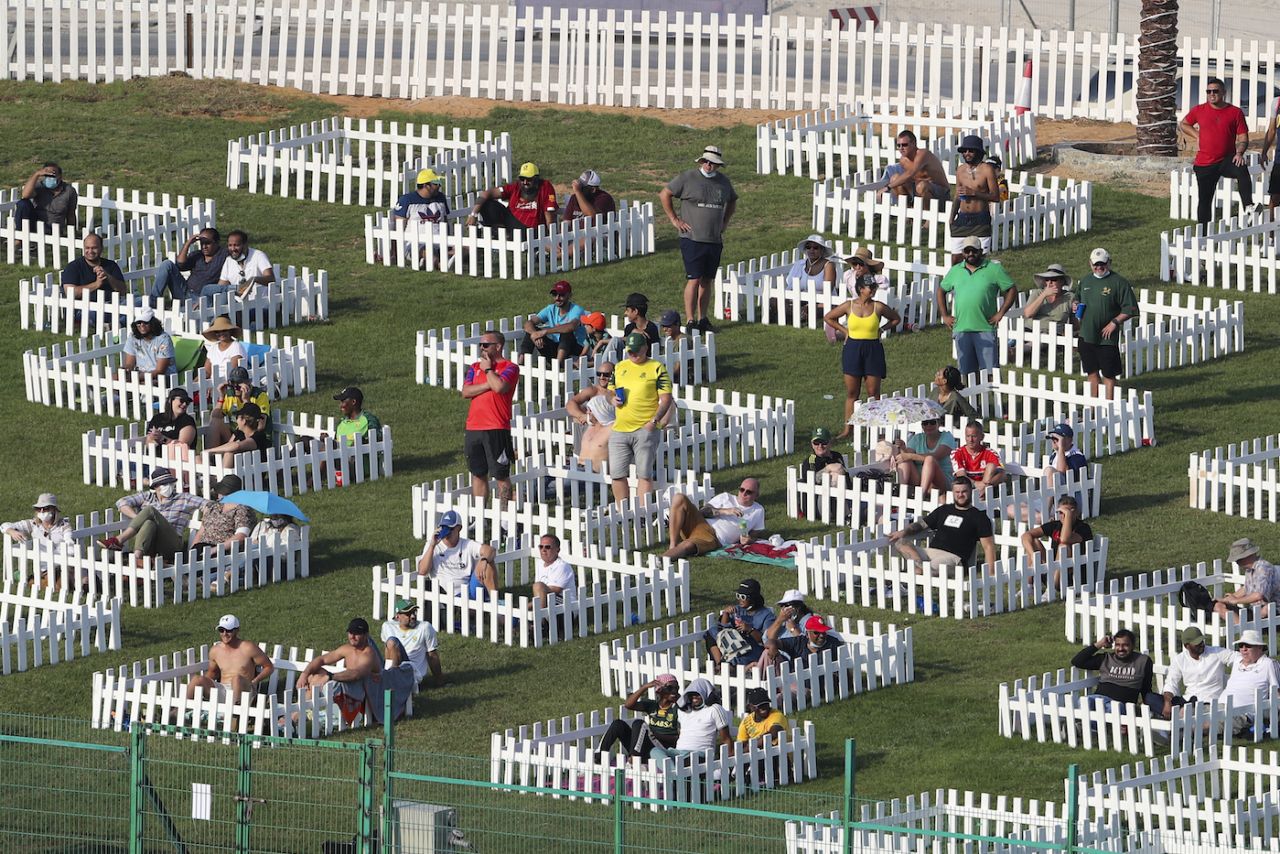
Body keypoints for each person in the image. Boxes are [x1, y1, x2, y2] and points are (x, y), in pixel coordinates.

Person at [660, 145, 738, 334]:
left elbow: (733, 200)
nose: (709, 165)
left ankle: (703, 318)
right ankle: (690, 319)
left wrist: (725, 222)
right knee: (694, 279)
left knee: (707, 280)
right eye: (707, 161)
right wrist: (674, 219)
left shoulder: (723, 182)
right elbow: (665, 194)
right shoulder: (688, 178)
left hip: (714, 239)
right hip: (692, 238)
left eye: (713, 163)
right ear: (702, 161)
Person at [295, 618, 416, 726]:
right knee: (314, 674)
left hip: (361, 691)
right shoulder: (347, 649)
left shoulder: (368, 654)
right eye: (351, 633)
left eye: (357, 634)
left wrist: (330, 676)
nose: (352, 636)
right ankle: (298, 713)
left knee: (320, 678)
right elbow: (321, 659)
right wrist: (304, 674)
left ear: (366, 635)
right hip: (349, 686)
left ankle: (300, 714)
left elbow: (357, 674)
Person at [825, 274, 900, 436]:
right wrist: (845, 331)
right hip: (853, 348)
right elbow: (829, 317)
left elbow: (895, 319)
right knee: (852, 392)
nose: (873, 290)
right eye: (870, 287)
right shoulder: (848, 305)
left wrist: (882, 329)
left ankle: (878, 427)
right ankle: (848, 429)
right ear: (860, 289)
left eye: (874, 287)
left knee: (873, 392)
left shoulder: (878, 306)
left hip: (873, 349)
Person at [1179, 78, 1256, 224]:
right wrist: (1197, 135)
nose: (1211, 94)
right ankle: (1203, 236)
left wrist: (1239, 153)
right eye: (1209, 91)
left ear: (1224, 93)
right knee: (1205, 201)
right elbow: (1184, 124)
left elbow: (1243, 137)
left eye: (1215, 91)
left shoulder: (1235, 112)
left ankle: (1249, 207)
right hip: (1205, 163)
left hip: (1226, 159)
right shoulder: (1199, 110)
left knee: (1241, 168)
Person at [607, 333, 672, 505]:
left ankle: (642, 513)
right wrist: (612, 399)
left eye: (637, 351)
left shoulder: (657, 367)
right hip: (620, 428)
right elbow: (610, 391)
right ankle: (623, 512)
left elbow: (666, 398)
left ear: (645, 348)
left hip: (645, 428)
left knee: (644, 473)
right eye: (630, 352)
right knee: (616, 473)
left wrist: (654, 421)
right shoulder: (620, 367)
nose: (634, 355)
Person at [937, 237, 1017, 377]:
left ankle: (991, 399)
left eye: (974, 250)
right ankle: (971, 399)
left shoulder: (994, 269)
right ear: (963, 253)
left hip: (985, 328)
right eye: (967, 251)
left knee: (989, 374)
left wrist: (1001, 312)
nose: (970, 254)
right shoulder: (956, 270)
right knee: (965, 375)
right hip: (962, 328)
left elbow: (1011, 289)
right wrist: (945, 315)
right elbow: (941, 290)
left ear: (980, 251)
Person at [888, 477, 996, 573]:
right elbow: (922, 525)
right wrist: (902, 532)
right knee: (900, 542)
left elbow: (988, 547)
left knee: (923, 570)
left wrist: (991, 574)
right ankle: (920, 569)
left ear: (971, 492)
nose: (960, 495)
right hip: (929, 553)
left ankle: (917, 572)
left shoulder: (979, 517)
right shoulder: (944, 510)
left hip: (953, 557)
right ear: (953, 492)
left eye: (964, 491)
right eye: (957, 492)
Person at [99, 468, 207, 560]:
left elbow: (208, 504)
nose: (168, 486)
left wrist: (206, 512)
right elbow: (121, 502)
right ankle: (137, 559)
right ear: (156, 487)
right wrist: (139, 519)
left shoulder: (183, 498)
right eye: (164, 484)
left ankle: (118, 540)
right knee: (148, 522)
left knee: (150, 511)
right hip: (150, 542)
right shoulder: (147, 496)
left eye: (170, 483)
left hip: (171, 544)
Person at [462, 331, 519, 501]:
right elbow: (466, 391)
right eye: (480, 345)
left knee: (501, 475)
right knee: (478, 473)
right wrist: (490, 383)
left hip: (496, 427)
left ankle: (505, 519)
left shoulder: (510, 367)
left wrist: (487, 370)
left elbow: (501, 388)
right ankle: (481, 518)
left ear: (498, 346)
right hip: (474, 427)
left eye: (486, 345)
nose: (482, 348)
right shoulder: (474, 367)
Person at [1075, 248, 1138, 399]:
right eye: (1095, 264)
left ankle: (1109, 407)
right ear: (1090, 264)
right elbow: (1077, 299)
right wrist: (1075, 304)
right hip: (1087, 335)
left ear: (1109, 262)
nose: (1099, 267)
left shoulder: (1119, 282)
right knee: (1091, 372)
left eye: (1102, 264)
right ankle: (1094, 408)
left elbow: (1130, 308)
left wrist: (1114, 322)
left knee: (1109, 375)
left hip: (1107, 338)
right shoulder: (1085, 281)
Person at [663, 478, 765, 559]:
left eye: (749, 492)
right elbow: (703, 512)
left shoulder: (758, 510)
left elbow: (755, 534)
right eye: (742, 490)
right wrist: (724, 511)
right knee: (679, 498)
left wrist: (748, 539)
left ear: (756, 495)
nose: (744, 494)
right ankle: (673, 545)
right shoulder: (726, 497)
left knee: (688, 545)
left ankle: (662, 559)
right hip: (700, 523)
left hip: (714, 537)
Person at [1071, 629, 1163, 717]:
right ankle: (1087, 728)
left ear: (1133, 646)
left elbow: (1146, 688)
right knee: (1084, 701)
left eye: (1125, 645)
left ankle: (1086, 728)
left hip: (1120, 704)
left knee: (1112, 709)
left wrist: (1148, 707)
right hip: (1098, 698)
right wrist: (1099, 644)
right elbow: (1077, 661)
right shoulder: (1106, 658)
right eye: (1117, 645)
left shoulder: (1143, 661)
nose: (1121, 648)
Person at [185, 615, 275, 703]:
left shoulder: (248, 647)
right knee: (197, 679)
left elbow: (269, 667)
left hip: (245, 691)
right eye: (221, 630)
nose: (225, 634)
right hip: (223, 689)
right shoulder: (215, 650)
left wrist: (255, 681)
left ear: (237, 630)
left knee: (236, 679)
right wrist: (203, 684)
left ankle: (234, 714)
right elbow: (212, 673)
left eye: (229, 630)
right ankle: (178, 710)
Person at [594, 674, 681, 760]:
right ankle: (599, 757)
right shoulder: (652, 705)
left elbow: (678, 738)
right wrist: (644, 688)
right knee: (618, 724)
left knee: (639, 723)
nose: (674, 691)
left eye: (676, 688)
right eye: (670, 688)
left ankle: (634, 758)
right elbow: (628, 705)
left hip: (660, 749)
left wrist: (654, 734)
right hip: (643, 745)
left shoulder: (678, 709)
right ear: (660, 690)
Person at [416, 510, 499, 597]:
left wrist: (483, 560)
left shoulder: (467, 544)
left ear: (459, 528)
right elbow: (422, 571)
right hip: (447, 595)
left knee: (488, 562)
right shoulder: (432, 545)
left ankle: (494, 603)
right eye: (443, 527)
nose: (446, 533)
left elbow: (491, 550)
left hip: (468, 590)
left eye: (450, 529)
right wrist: (432, 546)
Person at [648, 678, 732, 763]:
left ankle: (674, 773)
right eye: (691, 694)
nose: (694, 697)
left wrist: (729, 763)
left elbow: (726, 739)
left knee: (682, 762)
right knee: (654, 752)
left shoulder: (714, 709)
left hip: (699, 754)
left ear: (705, 693)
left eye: (697, 694)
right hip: (678, 753)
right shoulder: (683, 711)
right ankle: (675, 774)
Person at [1020, 496, 1093, 592]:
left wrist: (1068, 515)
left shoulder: (1083, 528)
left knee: (1063, 547)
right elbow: (1026, 535)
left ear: (1075, 513)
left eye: (1066, 513)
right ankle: (1028, 587)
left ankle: (1051, 589)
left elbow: (1065, 539)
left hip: (1070, 576)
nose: (1063, 516)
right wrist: (1033, 554)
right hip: (1052, 569)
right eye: (1061, 513)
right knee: (1033, 541)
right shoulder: (1055, 525)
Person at [1159, 626, 1233, 720]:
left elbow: (1236, 657)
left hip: (1208, 702)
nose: (1202, 644)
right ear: (1186, 646)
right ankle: (1177, 716)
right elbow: (1171, 682)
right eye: (1197, 643)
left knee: (1186, 712)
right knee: (1151, 698)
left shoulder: (1216, 653)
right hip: (1187, 700)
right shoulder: (1180, 659)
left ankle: (1177, 721)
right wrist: (1167, 702)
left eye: (1202, 641)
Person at [702, 578, 776, 671]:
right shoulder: (737, 609)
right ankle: (720, 664)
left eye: (743, 597)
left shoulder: (767, 615)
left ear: (753, 598)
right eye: (738, 596)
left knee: (738, 654)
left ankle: (730, 667)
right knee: (712, 632)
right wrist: (726, 614)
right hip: (733, 644)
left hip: (752, 648)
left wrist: (750, 630)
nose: (740, 600)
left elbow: (766, 640)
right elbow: (722, 628)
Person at [948, 136, 1001, 264]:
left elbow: (995, 196)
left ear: (978, 152)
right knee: (956, 259)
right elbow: (957, 195)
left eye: (970, 151)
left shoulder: (987, 169)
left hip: (980, 219)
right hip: (962, 219)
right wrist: (952, 217)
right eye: (964, 151)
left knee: (979, 260)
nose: (967, 154)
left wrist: (974, 193)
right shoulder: (960, 170)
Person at [1219, 629, 1280, 735]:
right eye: (1241, 646)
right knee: (1188, 714)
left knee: (1206, 724)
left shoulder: (1268, 664)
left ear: (1260, 647)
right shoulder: (1238, 660)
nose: (1244, 649)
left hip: (1242, 713)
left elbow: (1277, 692)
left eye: (1248, 646)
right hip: (1220, 705)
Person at [466, 162, 558, 232]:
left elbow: (549, 212)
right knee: (487, 203)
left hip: (529, 228)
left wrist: (551, 235)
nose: (525, 182)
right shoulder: (516, 187)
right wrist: (473, 214)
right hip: (510, 220)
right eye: (522, 179)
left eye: (529, 179)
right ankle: (498, 233)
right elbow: (486, 193)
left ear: (537, 178)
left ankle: (497, 233)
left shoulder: (545, 187)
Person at [149, 227, 229, 302]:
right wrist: (188, 243)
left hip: (202, 297)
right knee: (167, 264)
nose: (204, 246)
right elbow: (180, 264)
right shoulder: (197, 255)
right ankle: (153, 301)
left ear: (217, 242)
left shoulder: (223, 255)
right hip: (184, 291)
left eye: (207, 243)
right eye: (202, 243)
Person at [381, 599, 446, 690]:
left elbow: (432, 656)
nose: (412, 616)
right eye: (408, 614)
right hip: (396, 666)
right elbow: (387, 653)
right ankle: (388, 679)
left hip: (413, 672)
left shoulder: (425, 628)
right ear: (398, 616)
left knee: (392, 642)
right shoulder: (387, 627)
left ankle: (390, 683)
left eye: (414, 612)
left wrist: (440, 680)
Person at [391, 168, 451, 264]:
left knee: (467, 248)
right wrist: (395, 253)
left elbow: (445, 222)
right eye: (436, 183)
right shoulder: (407, 200)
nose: (439, 186)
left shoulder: (441, 198)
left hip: (440, 242)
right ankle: (441, 263)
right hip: (416, 243)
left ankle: (443, 260)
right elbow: (398, 228)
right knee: (429, 254)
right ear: (426, 185)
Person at [519, 280, 586, 363]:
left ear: (569, 295)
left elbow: (571, 326)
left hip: (574, 348)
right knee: (532, 331)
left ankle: (558, 364)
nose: (557, 298)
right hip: (556, 347)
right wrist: (535, 334)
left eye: (561, 295)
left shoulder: (576, 309)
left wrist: (545, 332)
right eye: (555, 294)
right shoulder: (551, 309)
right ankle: (521, 362)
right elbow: (528, 323)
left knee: (566, 332)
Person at [567, 360, 617, 468]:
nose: (602, 377)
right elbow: (571, 404)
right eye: (599, 374)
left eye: (606, 375)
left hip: (607, 434)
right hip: (589, 430)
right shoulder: (593, 391)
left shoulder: (618, 393)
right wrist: (582, 416)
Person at [1214, 538, 1280, 620]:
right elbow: (1246, 588)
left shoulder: (1263, 568)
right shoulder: (1249, 569)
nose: (1236, 562)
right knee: (1219, 606)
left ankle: (1244, 628)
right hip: (1255, 610)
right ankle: (1243, 628)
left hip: (1273, 612)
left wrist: (1236, 600)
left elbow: (1259, 595)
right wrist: (1229, 599)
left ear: (1248, 556)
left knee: (1265, 610)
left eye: (1239, 559)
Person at [189, 475, 255, 556]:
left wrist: (215, 550)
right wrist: (192, 550)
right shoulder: (213, 507)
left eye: (223, 492)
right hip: (201, 548)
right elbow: (200, 532)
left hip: (222, 551)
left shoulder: (242, 510)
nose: (219, 494)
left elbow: (241, 536)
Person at [209, 366, 271, 448]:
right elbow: (215, 417)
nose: (235, 387)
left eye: (239, 384)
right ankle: (210, 457)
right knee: (215, 422)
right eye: (232, 383)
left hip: (254, 438)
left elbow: (260, 426)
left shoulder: (260, 396)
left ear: (248, 383)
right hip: (235, 435)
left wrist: (246, 400)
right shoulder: (229, 395)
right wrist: (221, 397)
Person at [762, 614, 844, 673]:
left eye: (824, 632)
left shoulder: (833, 643)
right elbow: (769, 642)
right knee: (767, 652)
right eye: (816, 632)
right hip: (794, 681)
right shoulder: (799, 641)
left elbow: (843, 667)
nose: (822, 635)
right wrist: (773, 645)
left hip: (818, 687)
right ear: (808, 633)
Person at [885, 130, 951, 205]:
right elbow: (908, 178)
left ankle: (926, 215)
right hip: (918, 189)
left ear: (913, 143)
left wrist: (888, 187)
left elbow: (911, 173)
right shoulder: (903, 160)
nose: (901, 148)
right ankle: (907, 211)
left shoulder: (923, 154)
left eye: (904, 145)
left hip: (940, 192)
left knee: (921, 186)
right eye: (898, 145)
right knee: (895, 178)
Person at [891, 416, 955, 492]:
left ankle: (921, 495)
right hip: (918, 479)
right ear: (922, 425)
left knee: (930, 459)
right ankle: (900, 492)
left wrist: (910, 456)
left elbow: (936, 456)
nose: (928, 426)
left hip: (941, 480)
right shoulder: (917, 438)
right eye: (925, 423)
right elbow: (906, 457)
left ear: (939, 423)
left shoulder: (947, 437)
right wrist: (902, 447)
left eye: (932, 422)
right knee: (904, 461)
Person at [207, 230, 274, 301]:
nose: (233, 249)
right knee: (207, 290)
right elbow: (221, 286)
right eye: (230, 245)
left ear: (245, 245)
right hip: (237, 304)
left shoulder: (258, 256)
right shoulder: (229, 260)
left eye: (236, 245)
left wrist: (254, 279)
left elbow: (271, 278)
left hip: (258, 305)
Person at [61, 233, 127, 300]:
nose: (90, 251)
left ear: (101, 248)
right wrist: (96, 284)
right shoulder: (73, 267)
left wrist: (107, 276)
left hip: (113, 305)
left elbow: (123, 291)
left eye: (94, 248)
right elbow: (71, 293)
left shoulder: (111, 265)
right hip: (85, 308)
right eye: (87, 248)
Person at [15, 162, 78, 232]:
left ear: (60, 176)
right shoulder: (40, 186)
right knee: (23, 203)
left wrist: (72, 233)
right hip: (36, 224)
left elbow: (71, 214)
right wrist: (36, 175)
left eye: (52, 176)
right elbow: (25, 195)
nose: (49, 178)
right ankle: (19, 238)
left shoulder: (69, 191)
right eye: (47, 175)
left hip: (54, 228)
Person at [204, 402, 270, 466]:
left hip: (252, 472)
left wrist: (210, 450)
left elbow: (236, 446)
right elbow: (229, 445)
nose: (236, 421)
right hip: (238, 468)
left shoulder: (259, 436)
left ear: (243, 421)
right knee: (198, 458)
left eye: (237, 418)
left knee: (229, 453)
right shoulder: (239, 432)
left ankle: (222, 476)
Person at [950, 422, 1007, 496]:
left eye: (974, 436)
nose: (970, 440)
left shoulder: (990, 453)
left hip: (988, 490)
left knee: (991, 466)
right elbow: (961, 476)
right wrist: (977, 484)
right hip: (965, 490)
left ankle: (982, 497)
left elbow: (1002, 474)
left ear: (982, 437)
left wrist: (987, 487)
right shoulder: (957, 453)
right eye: (968, 436)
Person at [2, 493, 73, 549]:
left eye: (46, 508)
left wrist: (68, 540)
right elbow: (4, 526)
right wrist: (12, 531)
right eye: (38, 508)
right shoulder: (33, 524)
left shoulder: (63, 525)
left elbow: (68, 537)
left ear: (54, 509)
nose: (42, 511)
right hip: (41, 566)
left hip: (62, 564)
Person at [121, 308, 176, 378]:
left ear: (153, 323)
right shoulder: (133, 337)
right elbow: (129, 363)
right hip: (140, 374)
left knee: (146, 384)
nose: (142, 325)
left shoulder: (164, 339)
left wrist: (135, 378)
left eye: (146, 322)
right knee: (115, 378)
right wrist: (126, 371)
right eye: (139, 323)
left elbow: (160, 370)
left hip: (163, 377)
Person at [532, 533, 578, 611]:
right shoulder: (540, 564)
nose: (543, 550)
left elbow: (553, 591)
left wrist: (528, 606)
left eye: (548, 547)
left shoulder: (562, 566)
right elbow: (540, 596)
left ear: (557, 550)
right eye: (541, 547)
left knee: (538, 586)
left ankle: (540, 620)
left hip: (564, 606)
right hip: (548, 602)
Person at [201, 315, 245, 380]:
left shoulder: (236, 346)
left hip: (228, 383)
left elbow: (233, 373)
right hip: (211, 383)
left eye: (224, 330)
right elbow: (207, 371)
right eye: (217, 331)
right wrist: (196, 381)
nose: (221, 333)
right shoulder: (213, 348)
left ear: (230, 331)